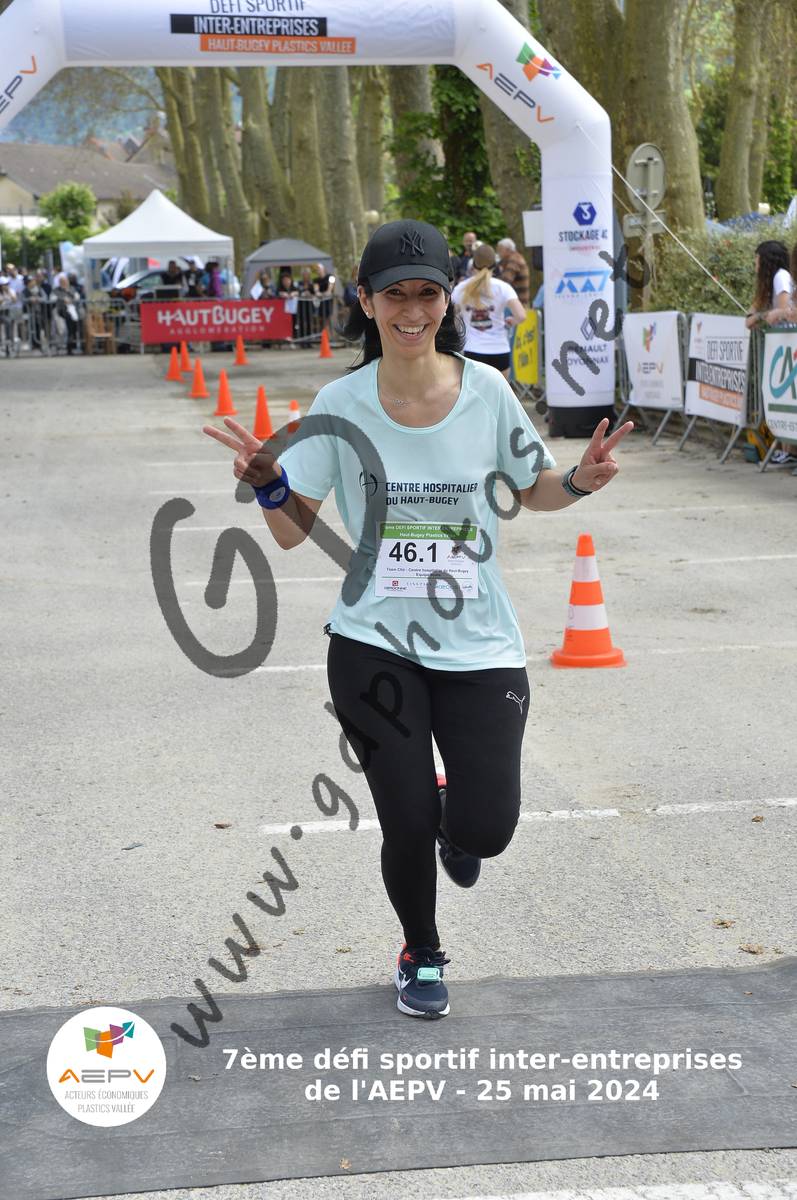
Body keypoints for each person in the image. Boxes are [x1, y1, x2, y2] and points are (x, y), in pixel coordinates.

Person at [202, 218, 633, 1020]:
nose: (411, 310)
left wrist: (578, 480)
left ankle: (452, 821)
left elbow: (533, 489)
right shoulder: (340, 403)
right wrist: (270, 486)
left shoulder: (487, 392)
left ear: (446, 300)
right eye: (393, 295)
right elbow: (293, 532)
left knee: (486, 829)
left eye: (426, 294)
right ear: (365, 302)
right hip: (372, 644)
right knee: (403, 822)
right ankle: (421, 952)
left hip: (478, 643)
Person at [745, 241, 795, 463]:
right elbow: (750, 318)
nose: (755, 265)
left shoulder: (781, 277)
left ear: (765, 261)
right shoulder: (768, 283)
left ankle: (789, 450)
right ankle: (787, 450)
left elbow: (783, 311)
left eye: (757, 260)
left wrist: (762, 316)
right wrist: (761, 315)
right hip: (781, 347)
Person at [451, 242, 526, 377]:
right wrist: (511, 321)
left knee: (474, 391)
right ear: (495, 265)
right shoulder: (503, 288)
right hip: (499, 350)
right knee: (500, 391)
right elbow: (521, 315)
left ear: (473, 264)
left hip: (472, 351)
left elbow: (451, 315)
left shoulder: (461, 288)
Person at [496, 238, 530, 308]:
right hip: (515, 300)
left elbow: (506, 279)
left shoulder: (514, 260)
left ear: (508, 250)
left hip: (518, 301)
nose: (498, 253)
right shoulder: (508, 260)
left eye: (500, 250)